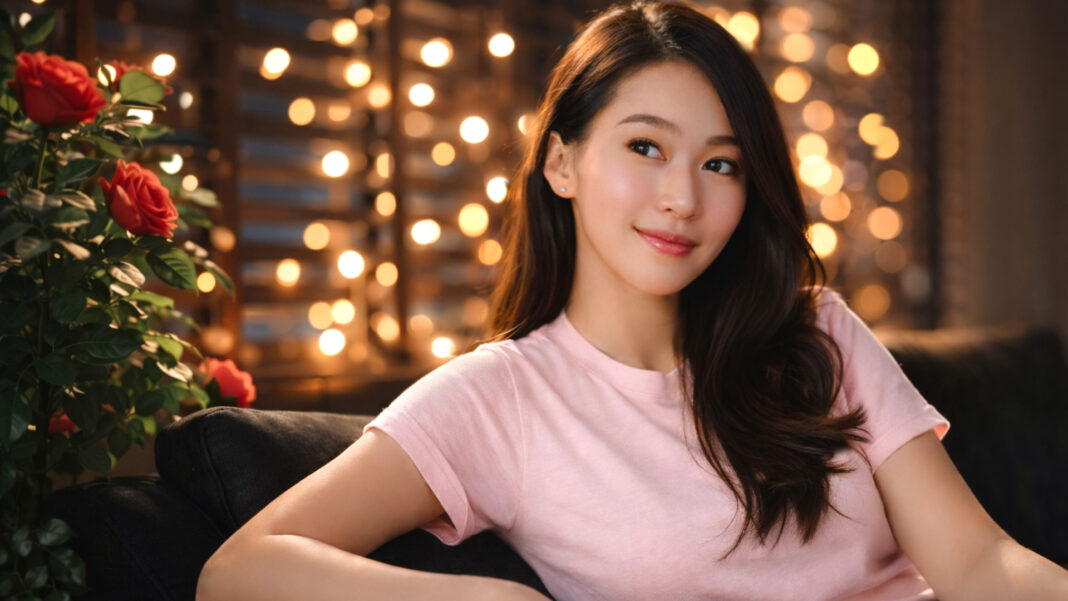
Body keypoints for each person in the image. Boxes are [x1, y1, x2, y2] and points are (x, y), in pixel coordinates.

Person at [195, 2, 1068, 600]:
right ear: (562, 162)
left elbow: (979, 562)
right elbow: (239, 570)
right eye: (646, 147)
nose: (682, 197)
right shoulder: (500, 398)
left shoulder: (814, 331)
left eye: (720, 163)